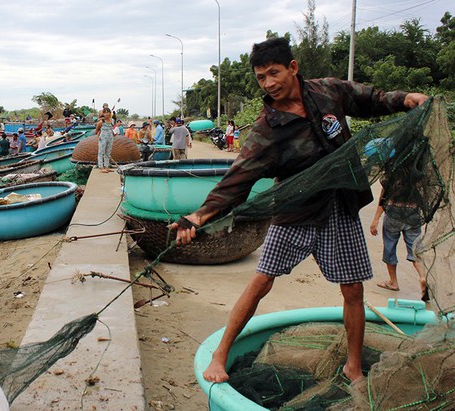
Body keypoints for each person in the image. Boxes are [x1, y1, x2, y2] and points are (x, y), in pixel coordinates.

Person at [170, 37, 428, 385]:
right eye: (261, 78)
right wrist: (199, 217)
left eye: (274, 73)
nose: (269, 83)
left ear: (293, 68)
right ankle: (220, 353)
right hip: (295, 212)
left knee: (353, 290)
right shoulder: (267, 129)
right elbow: (237, 179)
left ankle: (353, 366)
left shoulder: (329, 92)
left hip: (340, 205)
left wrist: (404, 99)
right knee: (261, 281)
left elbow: (373, 100)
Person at [370, 176, 429, 301]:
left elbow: (383, 198)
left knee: (390, 247)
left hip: (393, 213)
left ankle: (393, 282)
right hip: (413, 213)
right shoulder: (418, 176)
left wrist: (376, 219)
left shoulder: (392, 173)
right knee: (415, 249)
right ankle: (422, 276)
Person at [95, 107, 113, 173]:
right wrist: (98, 136)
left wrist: (114, 134)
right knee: (101, 152)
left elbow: (112, 129)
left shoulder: (112, 121)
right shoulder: (101, 122)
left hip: (110, 138)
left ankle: (106, 166)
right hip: (103, 138)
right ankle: (101, 167)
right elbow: (97, 130)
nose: (107, 114)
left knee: (108, 153)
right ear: (103, 113)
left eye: (108, 112)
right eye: (105, 112)